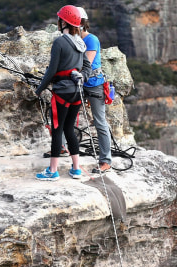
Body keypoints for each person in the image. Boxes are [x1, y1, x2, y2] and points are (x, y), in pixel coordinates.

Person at [34, 5, 91, 181]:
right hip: (77, 92)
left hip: (62, 92)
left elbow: (51, 71)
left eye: (59, 19)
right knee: (69, 129)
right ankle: (76, 169)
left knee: (57, 129)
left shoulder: (60, 42)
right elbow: (87, 66)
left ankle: (52, 171)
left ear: (63, 21)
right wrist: (81, 76)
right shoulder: (80, 42)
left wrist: (39, 89)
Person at [77, 7, 112, 173]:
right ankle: (62, 147)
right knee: (65, 115)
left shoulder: (91, 40)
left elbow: (87, 64)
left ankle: (105, 161)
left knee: (99, 122)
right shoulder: (73, 39)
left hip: (94, 84)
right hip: (80, 83)